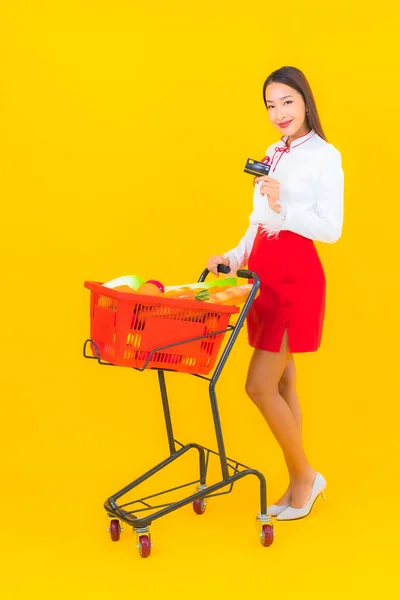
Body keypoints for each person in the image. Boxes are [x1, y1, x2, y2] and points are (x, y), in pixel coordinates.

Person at [206, 66, 344, 521]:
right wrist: (232, 254)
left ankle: (306, 477)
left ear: (305, 100)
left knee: (258, 384)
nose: (278, 112)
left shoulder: (326, 156)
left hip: (295, 278)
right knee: (284, 381)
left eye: (287, 101)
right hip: (261, 275)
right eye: (270, 104)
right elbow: (257, 219)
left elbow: (331, 229)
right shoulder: (273, 151)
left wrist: (287, 207)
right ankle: (295, 479)